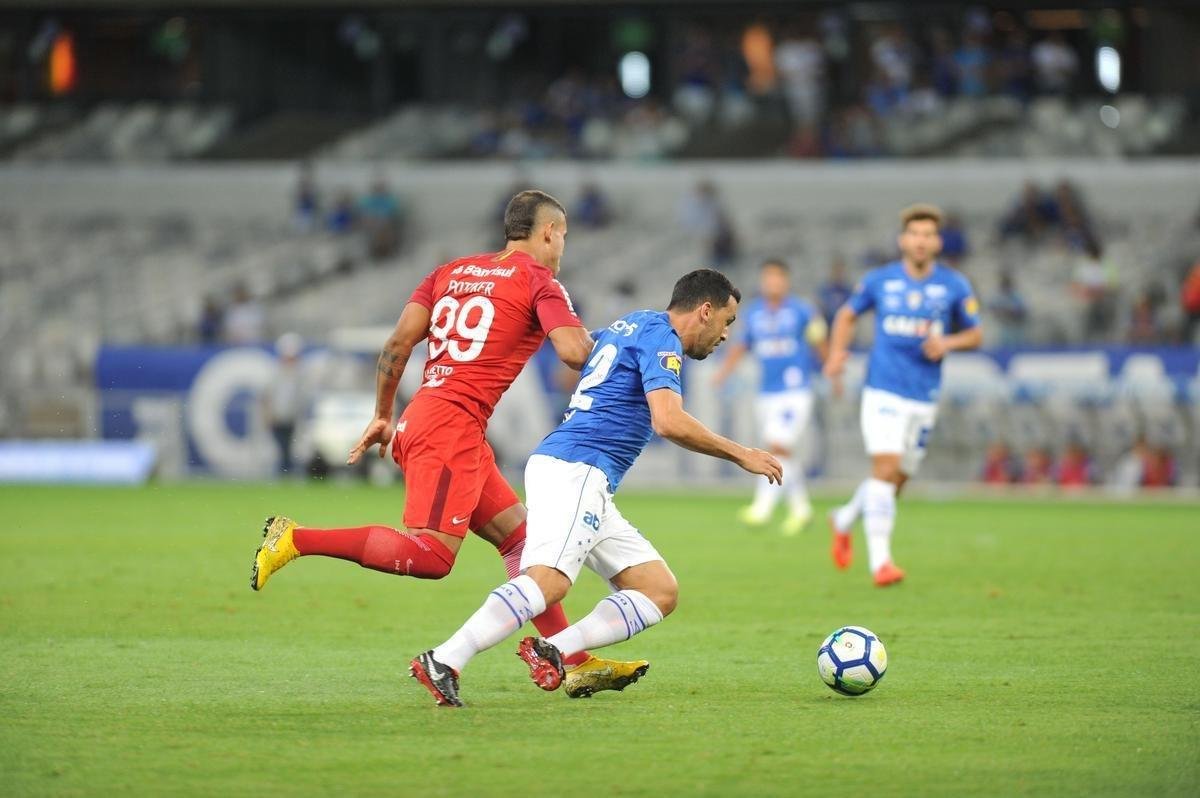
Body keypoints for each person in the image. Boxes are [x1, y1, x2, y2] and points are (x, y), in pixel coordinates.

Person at [250, 190, 647, 698]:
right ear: (548, 232)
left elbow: (397, 345)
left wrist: (382, 414)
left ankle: (573, 660)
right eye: (563, 235)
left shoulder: (449, 272)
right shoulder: (539, 281)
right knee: (432, 557)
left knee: (522, 541)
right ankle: (296, 538)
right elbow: (573, 352)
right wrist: (623, 351)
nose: (562, 246)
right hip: (450, 429)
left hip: (435, 416)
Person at [410, 270, 782, 707]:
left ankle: (556, 648)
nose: (725, 335)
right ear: (705, 311)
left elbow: (581, 356)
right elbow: (668, 420)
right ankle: (446, 658)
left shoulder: (635, 323)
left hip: (582, 473)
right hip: (578, 468)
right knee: (547, 582)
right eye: (727, 321)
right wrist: (742, 454)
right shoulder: (662, 340)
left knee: (658, 589)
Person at [823, 204, 983, 586]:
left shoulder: (954, 285)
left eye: (929, 234)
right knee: (885, 468)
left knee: (897, 480)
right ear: (903, 240)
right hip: (883, 390)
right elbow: (847, 315)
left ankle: (844, 518)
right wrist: (835, 355)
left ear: (938, 242)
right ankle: (882, 562)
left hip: (923, 396)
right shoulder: (880, 281)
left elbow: (976, 334)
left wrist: (948, 341)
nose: (921, 241)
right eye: (915, 234)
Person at [712, 259, 827, 534]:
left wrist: (831, 370)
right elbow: (741, 345)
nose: (772, 283)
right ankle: (801, 510)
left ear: (785, 281)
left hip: (796, 390)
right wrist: (724, 371)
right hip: (767, 392)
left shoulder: (802, 311)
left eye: (777, 278)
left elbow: (819, 341)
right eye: (768, 278)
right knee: (781, 450)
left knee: (778, 444)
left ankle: (762, 508)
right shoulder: (753, 314)